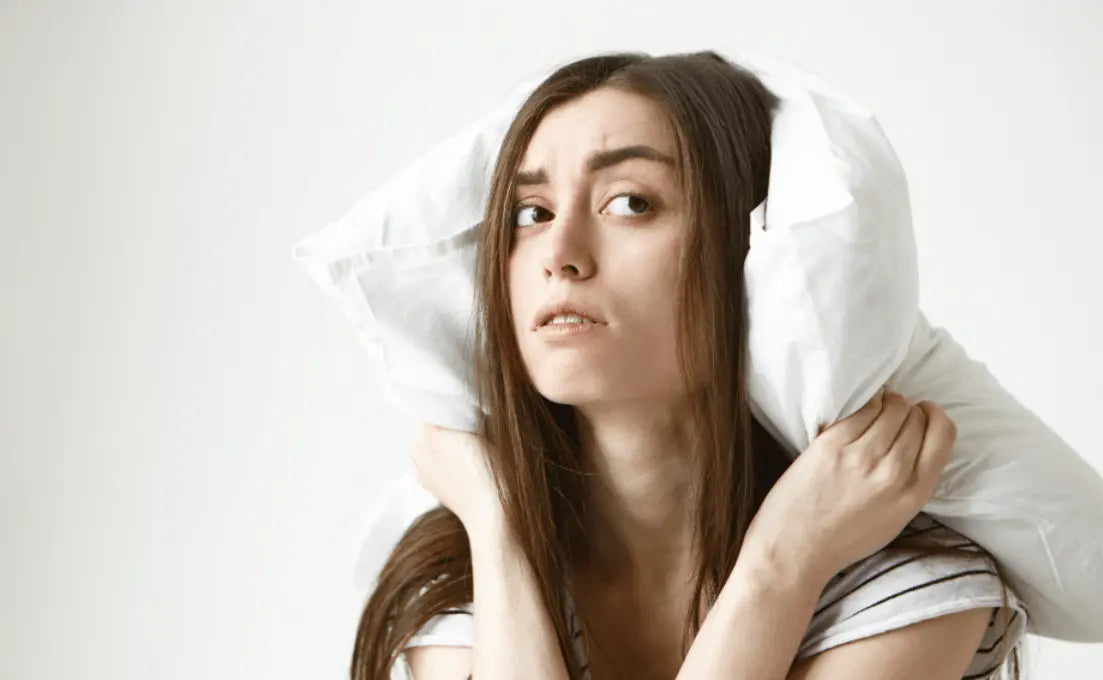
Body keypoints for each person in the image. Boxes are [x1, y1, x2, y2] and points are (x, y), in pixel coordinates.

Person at [352, 51, 1027, 680]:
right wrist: (496, 523)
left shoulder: (907, 588)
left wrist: (783, 564)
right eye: (532, 212)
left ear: (749, 255)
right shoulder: (461, 573)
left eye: (630, 203)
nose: (560, 252)